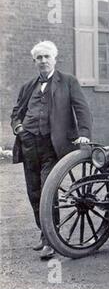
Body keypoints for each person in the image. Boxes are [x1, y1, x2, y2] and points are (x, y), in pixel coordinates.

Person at [10, 41, 92, 260]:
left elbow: (82, 108)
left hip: (53, 146)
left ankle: (50, 241)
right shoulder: (28, 86)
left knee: (48, 191)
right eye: (39, 58)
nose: (43, 61)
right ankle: (44, 232)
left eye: (47, 57)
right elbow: (16, 112)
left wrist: (84, 133)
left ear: (54, 59)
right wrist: (18, 128)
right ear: (34, 61)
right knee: (34, 192)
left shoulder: (67, 82)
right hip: (29, 145)